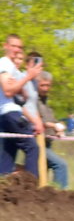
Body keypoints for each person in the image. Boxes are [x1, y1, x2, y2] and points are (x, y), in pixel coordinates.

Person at [0, 34, 43, 179]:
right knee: (32, 148)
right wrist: (28, 77)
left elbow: (20, 97)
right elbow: (7, 91)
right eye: (14, 46)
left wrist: (21, 88)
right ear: (5, 46)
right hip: (11, 113)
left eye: (20, 47)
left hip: (7, 114)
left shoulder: (12, 68)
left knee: (8, 154)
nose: (17, 50)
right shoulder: (4, 63)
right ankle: (32, 191)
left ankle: (3, 191)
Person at [36, 72, 68, 189]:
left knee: (41, 176)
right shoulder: (34, 101)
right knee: (61, 165)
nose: (45, 88)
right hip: (38, 144)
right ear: (36, 85)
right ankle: (59, 195)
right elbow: (38, 121)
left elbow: (53, 120)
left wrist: (59, 127)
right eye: (42, 85)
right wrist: (54, 126)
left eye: (48, 85)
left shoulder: (46, 103)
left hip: (47, 144)